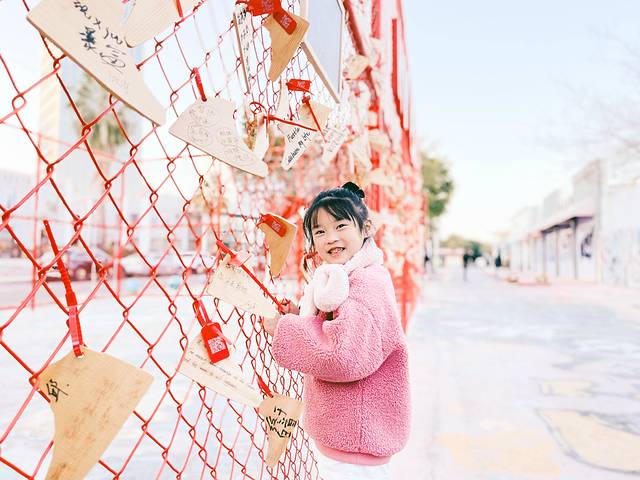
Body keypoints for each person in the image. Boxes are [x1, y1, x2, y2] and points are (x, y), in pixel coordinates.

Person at [262, 182, 410, 480]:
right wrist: (299, 317)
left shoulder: (366, 283)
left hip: (356, 442)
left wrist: (285, 329)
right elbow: (347, 330)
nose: (330, 237)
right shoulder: (352, 275)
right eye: (319, 231)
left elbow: (344, 355)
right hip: (352, 435)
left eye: (341, 225)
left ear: (366, 228)